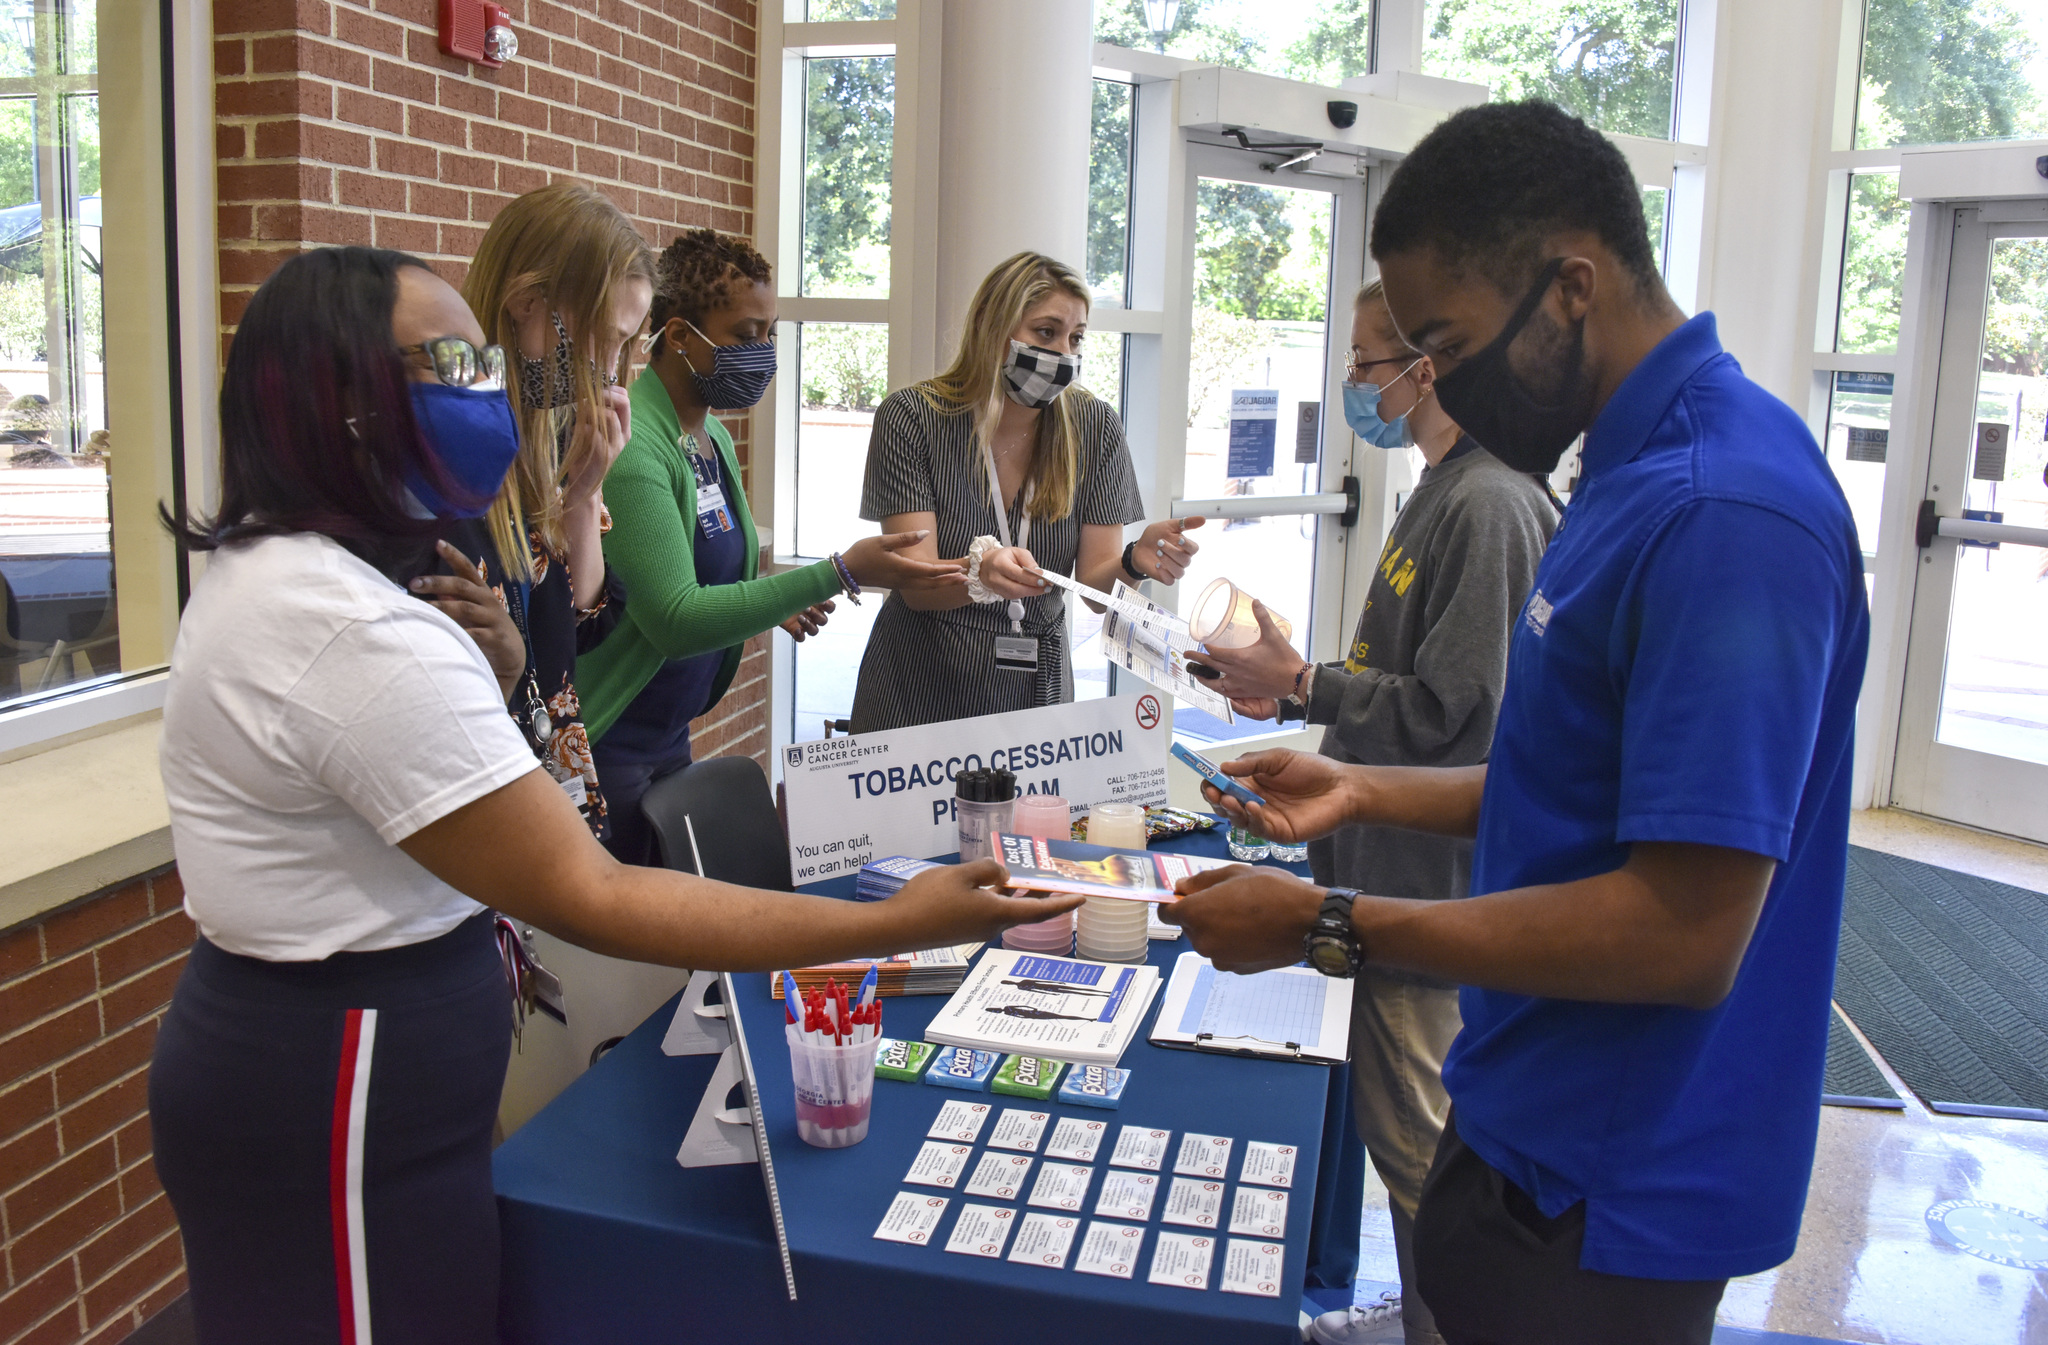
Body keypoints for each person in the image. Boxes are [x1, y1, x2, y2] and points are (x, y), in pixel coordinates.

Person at [149, 246, 1075, 1344]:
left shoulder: (328, 583)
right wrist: (890, 924)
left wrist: (497, 678)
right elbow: (591, 890)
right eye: (449, 364)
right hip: (336, 1085)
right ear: (330, 398)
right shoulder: (340, 623)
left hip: (374, 1085)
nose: (488, 391)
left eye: (487, 363)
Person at [1164, 101, 1868, 1345]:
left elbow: (1683, 929)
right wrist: (1367, 791)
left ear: (1570, 286)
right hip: (1523, 1109)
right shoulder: (1622, 472)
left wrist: (1329, 923)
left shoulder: (1722, 513)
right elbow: (1577, 779)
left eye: (1446, 342)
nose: (1435, 382)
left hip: (1609, 1182)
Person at [1194, 278, 1557, 1345]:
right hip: (1382, 871)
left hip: (1424, 894)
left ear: (1425, 367)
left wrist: (1309, 685)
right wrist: (1296, 687)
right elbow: (1405, 676)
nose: (1352, 383)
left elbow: (1458, 714)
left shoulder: (1489, 503)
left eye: (1362, 362)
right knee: (1410, 1158)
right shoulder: (1440, 488)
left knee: (1428, 1163)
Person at [578, 229, 965, 862]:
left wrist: (765, 604)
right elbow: (674, 620)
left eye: (770, 334)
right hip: (612, 740)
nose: (763, 352)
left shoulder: (711, 442)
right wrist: (840, 571)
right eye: (744, 335)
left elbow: (698, 581)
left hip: (668, 733)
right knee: (636, 951)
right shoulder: (637, 450)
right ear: (678, 336)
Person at [850, 251, 1205, 731]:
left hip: (1039, 688)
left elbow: (1099, 593)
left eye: (1075, 338)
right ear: (993, 330)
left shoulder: (1094, 427)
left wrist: (1133, 562)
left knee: (1040, 808)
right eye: (1046, 332)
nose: (1064, 352)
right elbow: (917, 587)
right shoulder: (913, 417)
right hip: (923, 684)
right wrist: (980, 572)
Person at [428, 182, 655, 841]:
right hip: (489, 804)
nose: (610, 372)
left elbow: (578, 635)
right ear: (527, 304)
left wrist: (582, 499)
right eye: (602, 340)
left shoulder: (542, 441)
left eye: (625, 345)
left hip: (551, 792)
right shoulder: (455, 460)